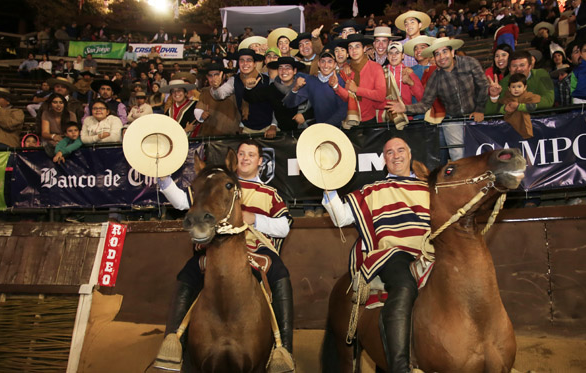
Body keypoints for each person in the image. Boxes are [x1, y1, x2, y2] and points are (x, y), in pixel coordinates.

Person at [157, 139, 295, 355]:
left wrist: (254, 219)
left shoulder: (269, 193)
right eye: (241, 154)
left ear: (260, 161)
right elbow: (183, 203)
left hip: (256, 250)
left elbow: (284, 227)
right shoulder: (217, 184)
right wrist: (163, 180)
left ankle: (284, 350)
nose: (245, 158)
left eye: (251, 154)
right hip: (216, 249)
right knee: (188, 273)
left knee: (279, 272)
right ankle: (174, 344)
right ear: (235, 158)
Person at [322, 137, 429, 373]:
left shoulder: (429, 189)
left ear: (410, 155)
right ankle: (400, 366)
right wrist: (327, 186)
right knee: (403, 284)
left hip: (430, 253)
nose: (396, 155)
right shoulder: (372, 191)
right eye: (389, 152)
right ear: (384, 160)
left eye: (401, 150)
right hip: (391, 254)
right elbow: (340, 218)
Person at [387, 38, 488, 161]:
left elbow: (483, 85)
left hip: (475, 115)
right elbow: (425, 104)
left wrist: (479, 109)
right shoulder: (435, 77)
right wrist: (405, 109)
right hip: (452, 118)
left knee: (482, 151)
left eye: (444, 51)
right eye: (437, 54)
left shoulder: (470, 63)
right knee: (457, 154)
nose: (441, 57)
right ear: (434, 57)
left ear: (452, 52)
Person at [210, 49, 276, 138]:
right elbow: (220, 95)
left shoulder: (267, 80)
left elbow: (276, 105)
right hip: (247, 129)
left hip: (268, 128)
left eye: (249, 60)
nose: (245, 64)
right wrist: (216, 87)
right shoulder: (234, 80)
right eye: (242, 60)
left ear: (254, 64)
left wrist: (273, 126)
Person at [284, 48, 347, 128]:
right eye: (323, 61)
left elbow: (343, 109)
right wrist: (295, 88)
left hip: (337, 128)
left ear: (335, 65)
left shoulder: (341, 81)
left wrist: (326, 126)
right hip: (318, 128)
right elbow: (290, 104)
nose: (326, 65)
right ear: (318, 64)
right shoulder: (310, 81)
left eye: (330, 61)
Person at [333, 34, 387, 127]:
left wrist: (357, 89)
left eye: (357, 46)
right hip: (351, 119)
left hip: (371, 119)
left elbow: (380, 95)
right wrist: (336, 86)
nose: (354, 50)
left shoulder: (375, 67)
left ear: (364, 48)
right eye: (350, 47)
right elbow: (347, 98)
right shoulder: (346, 70)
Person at [486, 50, 555, 115]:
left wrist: (519, 106)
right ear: (509, 68)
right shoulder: (504, 82)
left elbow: (548, 101)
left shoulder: (542, 74)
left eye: (522, 65)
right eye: (514, 66)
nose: (518, 69)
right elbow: (490, 112)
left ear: (530, 66)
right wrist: (494, 96)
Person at [377, 42, 424, 123]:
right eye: (391, 53)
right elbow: (374, 101)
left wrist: (411, 83)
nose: (394, 56)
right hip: (385, 120)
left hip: (406, 119)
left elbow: (422, 98)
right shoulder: (380, 73)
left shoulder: (409, 72)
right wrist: (391, 104)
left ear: (403, 56)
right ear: (387, 56)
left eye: (397, 53)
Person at [195, 63, 241, 136]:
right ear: (207, 77)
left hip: (231, 136)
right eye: (210, 76)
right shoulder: (205, 92)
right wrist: (201, 115)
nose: (214, 78)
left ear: (223, 76)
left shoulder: (233, 90)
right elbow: (198, 110)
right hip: (210, 136)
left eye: (216, 75)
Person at [497, 73, 541, 138]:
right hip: (509, 129)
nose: (516, 89)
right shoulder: (506, 99)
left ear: (525, 87)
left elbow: (533, 107)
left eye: (519, 86)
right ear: (509, 88)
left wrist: (518, 106)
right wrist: (505, 109)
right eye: (513, 87)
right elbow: (498, 108)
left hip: (527, 127)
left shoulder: (529, 97)